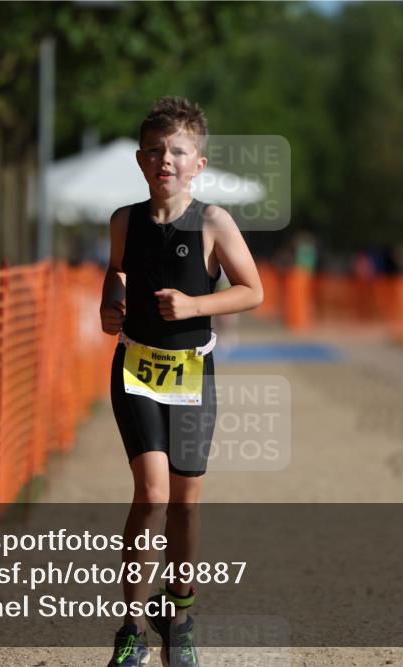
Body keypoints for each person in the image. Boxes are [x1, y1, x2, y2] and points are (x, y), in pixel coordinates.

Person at [99, 97, 263, 666]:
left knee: (185, 506)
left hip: (192, 373)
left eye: (177, 151)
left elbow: (252, 290)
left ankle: (181, 614)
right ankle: (131, 628)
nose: (164, 159)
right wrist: (110, 301)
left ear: (198, 162)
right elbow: (117, 270)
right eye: (154, 150)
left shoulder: (214, 222)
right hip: (136, 367)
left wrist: (194, 304)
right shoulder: (125, 219)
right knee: (152, 495)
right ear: (141, 160)